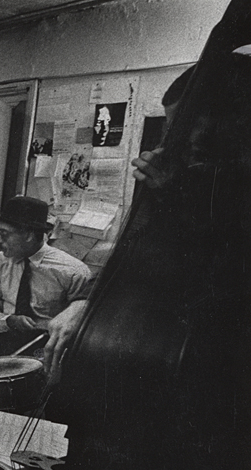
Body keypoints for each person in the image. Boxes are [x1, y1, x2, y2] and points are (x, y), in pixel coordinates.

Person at [44, 68, 193, 372]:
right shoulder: (174, 190)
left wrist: (177, 195)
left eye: (190, 139)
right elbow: (131, 255)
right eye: (169, 133)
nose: (165, 150)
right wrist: (85, 302)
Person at [0, 195, 91, 362]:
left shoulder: (73, 271)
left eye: (4, 234)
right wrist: (10, 321)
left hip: (45, 347)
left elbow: (78, 325)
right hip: (4, 341)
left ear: (28, 235)